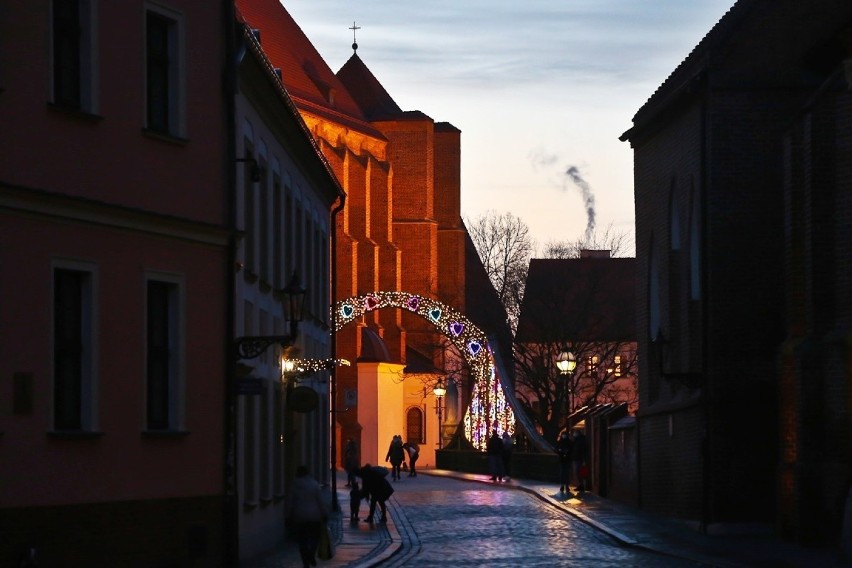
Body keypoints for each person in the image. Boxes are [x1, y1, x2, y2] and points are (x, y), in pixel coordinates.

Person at [285, 465, 328, 568]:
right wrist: (324, 514)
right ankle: (311, 554)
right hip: (314, 516)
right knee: (315, 537)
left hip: (299, 517)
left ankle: (305, 563)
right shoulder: (314, 484)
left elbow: (290, 503)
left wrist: (287, 516)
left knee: (302, 541)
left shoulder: (294, 486)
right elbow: (320, 501)